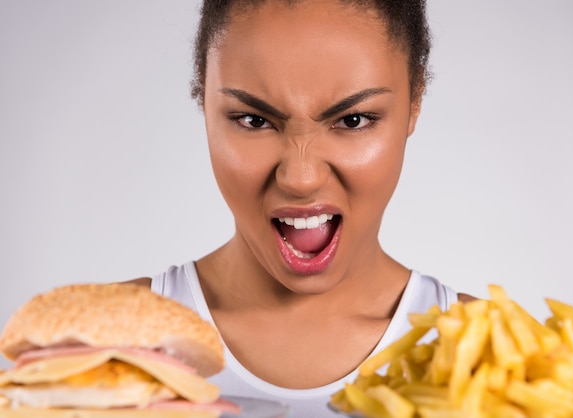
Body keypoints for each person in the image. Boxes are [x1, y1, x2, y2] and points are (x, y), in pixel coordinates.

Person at [132, 0, 474, 415]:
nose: (301, 177)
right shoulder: (99, 345)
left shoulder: (492, 350)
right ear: (203, 99)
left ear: (414, 101)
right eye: (254, 120)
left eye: (353, 120)